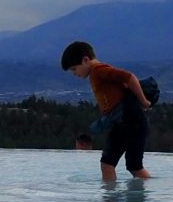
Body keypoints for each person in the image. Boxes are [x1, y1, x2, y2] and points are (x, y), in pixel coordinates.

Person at [61, 39, 154, 184]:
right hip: (120, 123)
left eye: (74, 68)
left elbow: (129, 77)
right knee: (107, 164)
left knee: (134, 166)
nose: (74, 73)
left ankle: (152, 192)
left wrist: (143, 101)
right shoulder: (95, 73)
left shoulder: (99, 70)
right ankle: (111, 201)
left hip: (132, 122)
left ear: (86, 60)